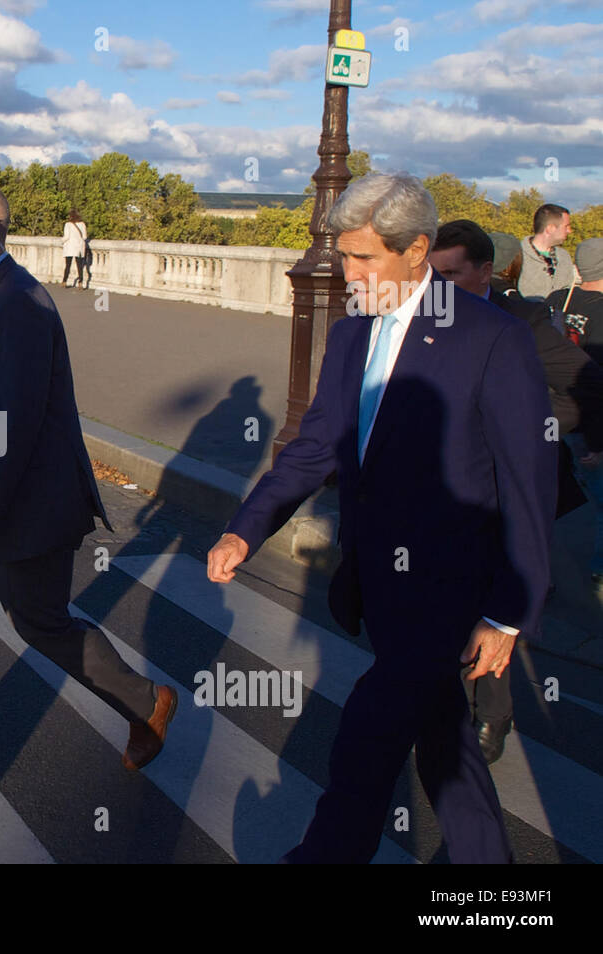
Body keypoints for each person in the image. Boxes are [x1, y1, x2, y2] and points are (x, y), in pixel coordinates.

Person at [207, 173, 556, 863]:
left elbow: (529, 486)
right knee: (442, 744)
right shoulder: (351, 335)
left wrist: (509, 614)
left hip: (450, 589)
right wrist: (246, 528)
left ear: (418, 249)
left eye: (364, 258)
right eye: (344, 254)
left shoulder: (490, 339)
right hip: (381, 583)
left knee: (367, 738)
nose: (347, 271)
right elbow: (312, 449)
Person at [0, 180, 177, 783]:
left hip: (24, 509)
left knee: (40, 624)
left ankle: (147, 703)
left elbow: (15, 426)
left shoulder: (20, 303)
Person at [431, 221, 603, 760]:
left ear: (485, 271)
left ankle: (492, 715)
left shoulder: (523, 320)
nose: (439, 286)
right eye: (432, 274)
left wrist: (522, 421)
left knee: (488, 605)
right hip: (440, 487)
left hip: (506, 491)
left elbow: (585, 383)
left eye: (452, 274)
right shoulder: (420, 316)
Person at [547, 238, 603, 600]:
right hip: (586, 422)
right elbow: (599, 385)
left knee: (544, 498)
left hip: (553, 413)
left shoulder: (557, 300)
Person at [519, 203, 579, 301]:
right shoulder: (518, 255)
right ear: (550, 228)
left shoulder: (564, 257)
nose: (569, 231)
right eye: (566, 226)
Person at [62, 209, 87, 289]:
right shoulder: (82, 224)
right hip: (79, 248)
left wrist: (61, 241)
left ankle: (64, 281)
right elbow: (85, 237)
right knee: (79, 266)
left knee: (68, 265)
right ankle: (80, 283)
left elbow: (66, 237)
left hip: (70, 247)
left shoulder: (68, 224)